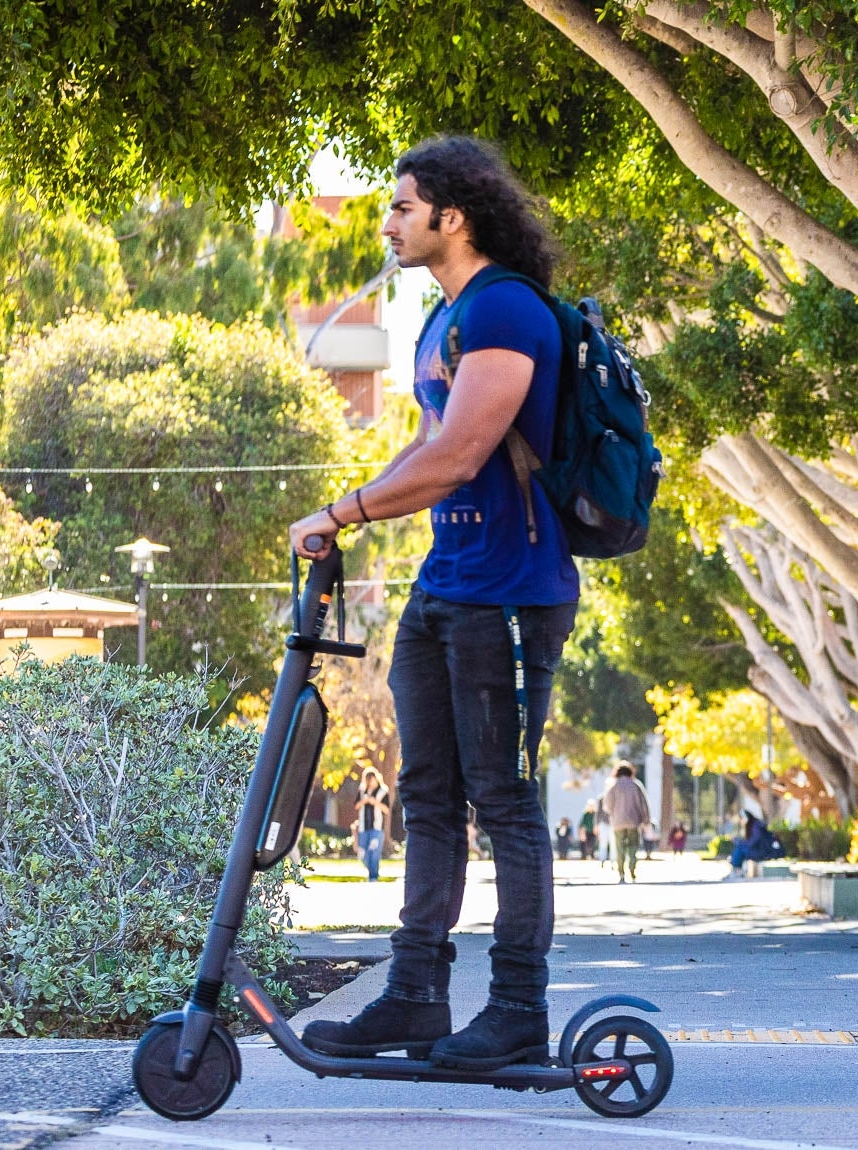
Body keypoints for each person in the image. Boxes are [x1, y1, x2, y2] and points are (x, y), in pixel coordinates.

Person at [296, 137, 576, 1072]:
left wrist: (342, 510)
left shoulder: (504, 311)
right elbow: (422, 454)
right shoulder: (443, 319)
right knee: (424, 794)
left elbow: (460, 455)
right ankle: (415, 996)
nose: (389, 223)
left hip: (509, 594)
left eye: (403, 207)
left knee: (503, 799)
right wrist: (353, 518)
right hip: (444, 585)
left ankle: (516, 1009)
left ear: (452, 216)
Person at [600, 763, 653, 883]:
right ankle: (632, 869)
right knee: (633, 847)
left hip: (617, 822)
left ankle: (621, 873)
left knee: (620, 848)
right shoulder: (636, 785)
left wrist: (613, 813)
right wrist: (646, 820)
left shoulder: (613, 786)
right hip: (633, 822)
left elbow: (607, 805)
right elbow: (643, 804)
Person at [355, 767, 392, 882]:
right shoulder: (362, 791)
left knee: (374, 851)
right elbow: (356, 806)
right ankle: (371, 871)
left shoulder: (383, 791)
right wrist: (364, 801)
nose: (370, 782)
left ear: (376, 779)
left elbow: (386, 810)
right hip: (363, 827)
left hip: (377, 827)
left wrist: (375, 802)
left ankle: (373, 876)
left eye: (371, 779)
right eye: (367, 780)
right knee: (362, 852)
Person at [724, 812, 782, 879]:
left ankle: (736, 871)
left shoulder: (755, 826)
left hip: (763, 852)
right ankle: (736, 869)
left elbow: (752, 842)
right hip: (760, 850)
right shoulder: (754, 825)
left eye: (741, 819)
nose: (740, 822)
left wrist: (737, 841)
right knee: (740, 848)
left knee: (740, 849)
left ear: (745, 818)